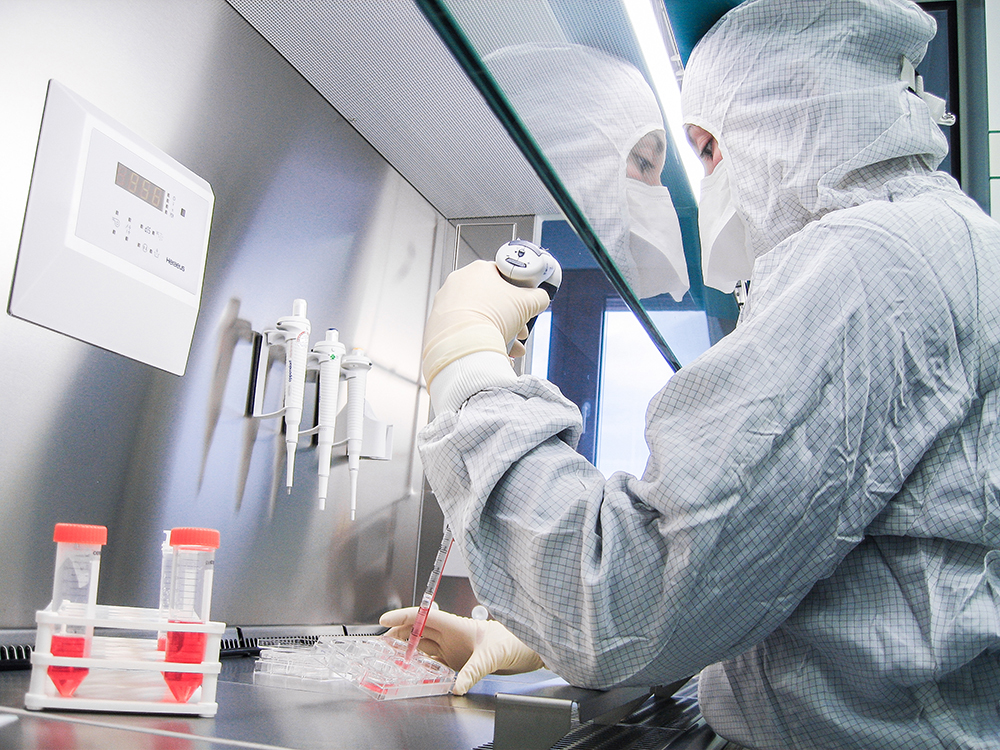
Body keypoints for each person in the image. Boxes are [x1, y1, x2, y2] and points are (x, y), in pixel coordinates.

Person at [383, 0, 1000, 747]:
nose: (701, 182)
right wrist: (542, 637)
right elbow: (776, 574)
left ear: (777, 111)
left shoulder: (871, 264)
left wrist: (466, 364)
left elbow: (627, 598)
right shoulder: (936, 240)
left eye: (705, 151)